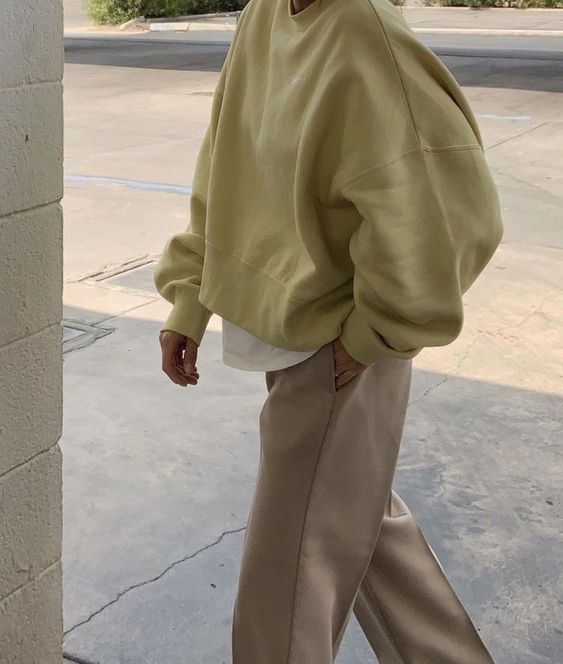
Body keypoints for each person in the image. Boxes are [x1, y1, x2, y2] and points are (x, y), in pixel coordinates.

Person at [154, 0, 503, 661]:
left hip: (340, 353)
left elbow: (454, 215)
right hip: (298, 339)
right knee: (355, 530)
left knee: (281, 604)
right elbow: (225, 163)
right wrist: (191, 296)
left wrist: (371, 337)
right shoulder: (265, 13)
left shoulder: (366, 34)